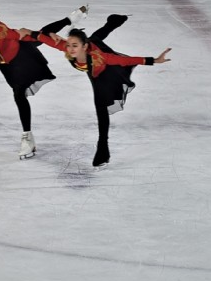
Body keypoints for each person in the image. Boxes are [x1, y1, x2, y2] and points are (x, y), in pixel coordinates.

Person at [18, 15, 171, 167]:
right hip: (91, 56)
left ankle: (103, 147)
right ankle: (113, 21)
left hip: (102, 71)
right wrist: (28, 31)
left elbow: (125, 61)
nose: (70, 49)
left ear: (84, 47)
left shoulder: (100, 58)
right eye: (69, 45)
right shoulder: (67, 48)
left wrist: (154, 60)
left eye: (75, 46)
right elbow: (45, 39)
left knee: (101, 106)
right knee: (96, 37)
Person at [0, 0, 88, 159]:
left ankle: (27, 138)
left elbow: (23, 36)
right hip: (6, 66)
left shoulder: (1, 31)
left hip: (21, 56)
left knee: (19, 93)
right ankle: (70, 19)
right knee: (40, 36)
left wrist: (45, 37)